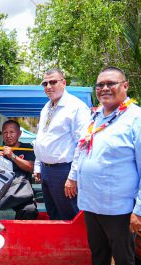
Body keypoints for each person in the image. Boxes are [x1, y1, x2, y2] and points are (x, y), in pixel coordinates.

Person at [65, 67, 141, 265]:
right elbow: (81, 149)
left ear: (125, 86)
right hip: (91, 204)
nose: (105, 88)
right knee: (98, 255)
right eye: (100, 85)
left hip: (120, 208)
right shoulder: (95, 116)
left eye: (111, 83)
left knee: (123, 259)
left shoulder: (139, 120)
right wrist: (73, 176)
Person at [33, 68, 91, 220]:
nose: (48, 86)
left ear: (64, 83)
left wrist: (73, 177)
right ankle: (58, 244)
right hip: (46, 171)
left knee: (69, 215)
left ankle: (75, 244)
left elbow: (83, 145)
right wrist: (38, 166)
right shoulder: (46, 107)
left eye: (53, 82)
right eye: (45, 83)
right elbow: (41, 137)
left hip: (64, 171)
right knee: (53, 214)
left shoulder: (76, 107)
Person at [0, 120, 38, 220]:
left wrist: (12, 156)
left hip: (22, 193)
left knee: (30, 210)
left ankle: (22, 235)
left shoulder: (28, 148)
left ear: (19, 133)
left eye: (12, 132)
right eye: (5, 132)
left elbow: (32, 168)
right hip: (2, 193)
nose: (8, 135)